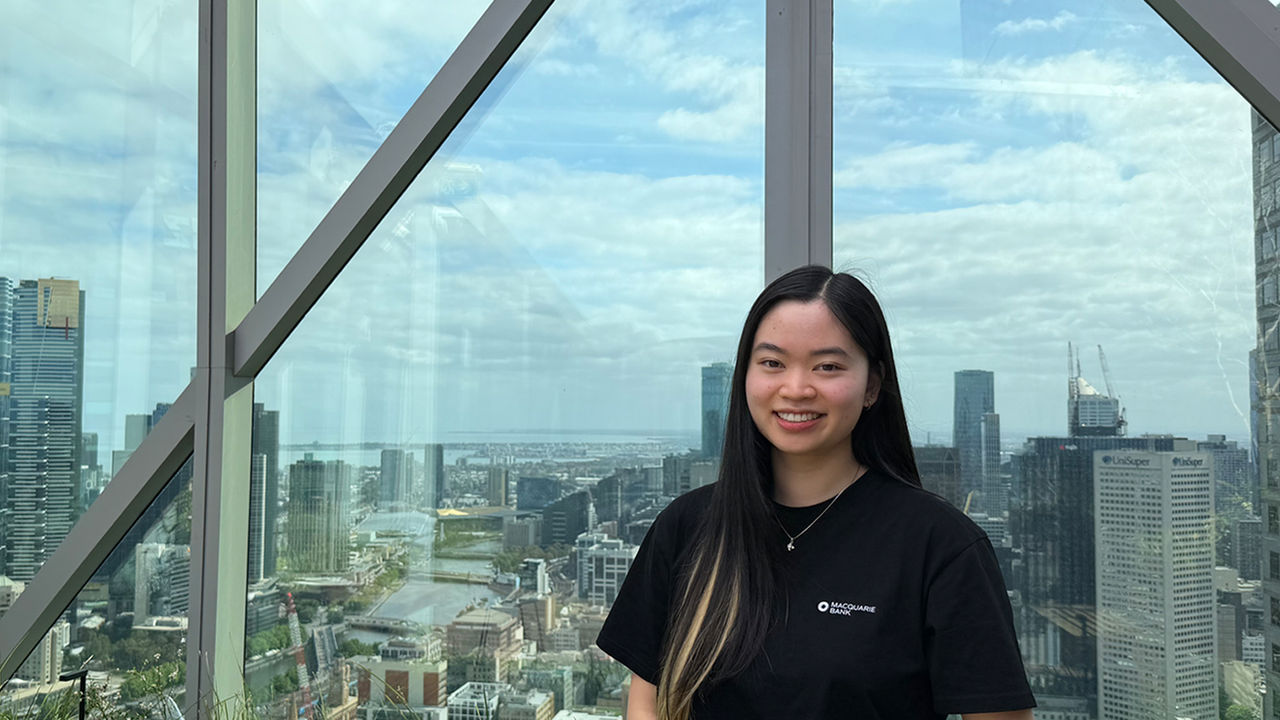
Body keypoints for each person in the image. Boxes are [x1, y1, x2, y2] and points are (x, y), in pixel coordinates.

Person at [596, 266, 1035, 720]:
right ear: (745, 377)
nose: (796, 389)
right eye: (772, 363)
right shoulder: (688, 525)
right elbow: (647, 699)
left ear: (872, 386)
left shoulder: (940, 545)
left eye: (828, 366)